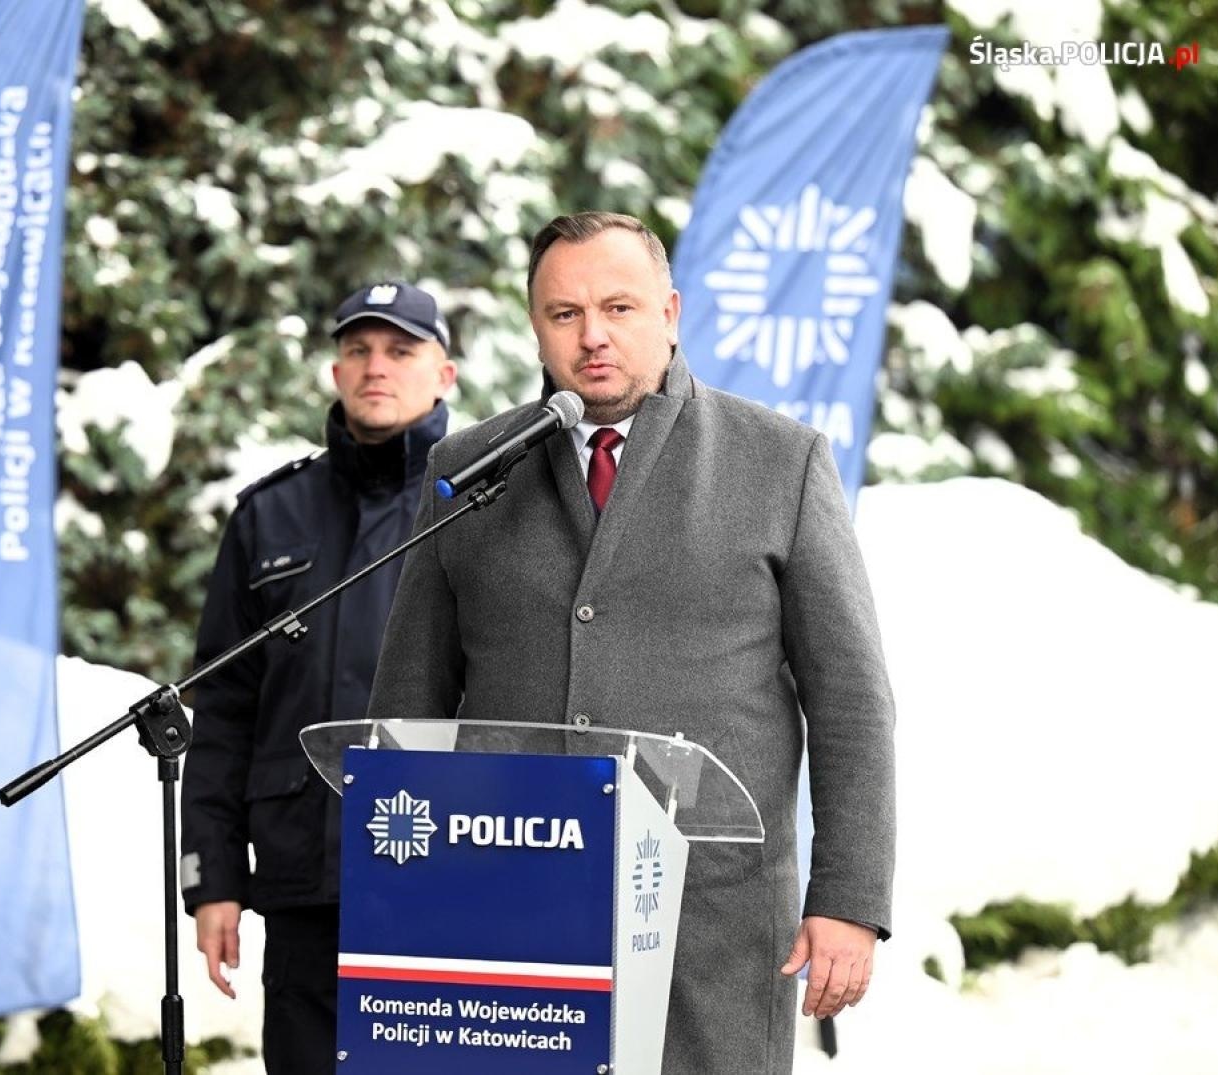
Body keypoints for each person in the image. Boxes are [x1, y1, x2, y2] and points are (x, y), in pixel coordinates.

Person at [365, 212, 896, 1072]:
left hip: (710, 922)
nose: (594, 336)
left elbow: (852, 701)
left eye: (619, 306)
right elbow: (409, 700)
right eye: (564, 314)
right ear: (534, 325)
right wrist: (394, 881)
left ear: (671, 312)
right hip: (510, 910)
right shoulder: (469, 470)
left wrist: (849, 896)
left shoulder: (779, 461)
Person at [180, 281, 457, 1073]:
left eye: (401, 350)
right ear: (335, 371)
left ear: (444, 375)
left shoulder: (480, 505)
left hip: (441, 880)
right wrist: (215, 877)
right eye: (359, 349)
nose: (377, 367)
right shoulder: (271, 515)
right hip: (304, 888)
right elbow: (225, 709)